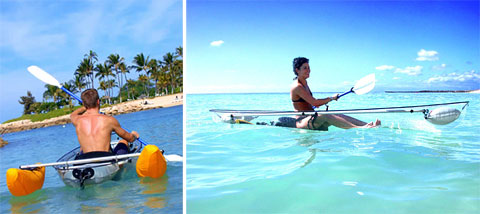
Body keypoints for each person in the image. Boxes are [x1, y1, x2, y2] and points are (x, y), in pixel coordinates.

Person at [278, 57, 380, 131]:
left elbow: (311, 103)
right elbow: (315, 102)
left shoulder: (305, 83)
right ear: (297, 70)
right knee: (325, 115)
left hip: (311, 116)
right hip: (301, 120)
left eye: (309, 68)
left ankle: (367, 125)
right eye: (305, 68)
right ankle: (360, 128)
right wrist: (331, 98)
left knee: (335, 113)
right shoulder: (297, 86)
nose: (308, 70)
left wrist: (321, 102)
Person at [71, 89, 140, 159]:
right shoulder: (109, 120)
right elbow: (130, 139)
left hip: (86, 159)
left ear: (84, 104)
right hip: (106, 161)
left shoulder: (77, 120)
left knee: (82, 149)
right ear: (98, 101)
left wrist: (86, 106)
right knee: (123, 141)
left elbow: (73, 114)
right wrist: (134, 135)